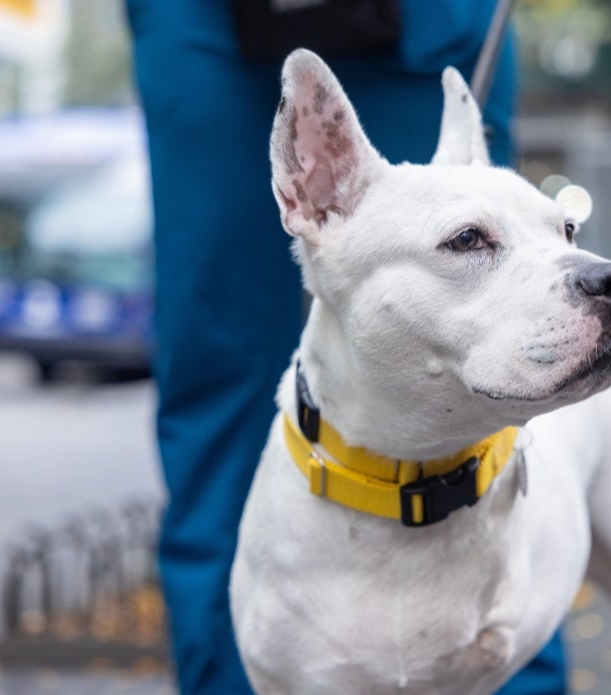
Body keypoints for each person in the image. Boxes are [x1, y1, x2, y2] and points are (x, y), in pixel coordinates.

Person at [125, 2, 566, 692]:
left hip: (428, 17)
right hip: (209, 20)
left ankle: (509, 665)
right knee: (220, 352)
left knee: (497, 336)